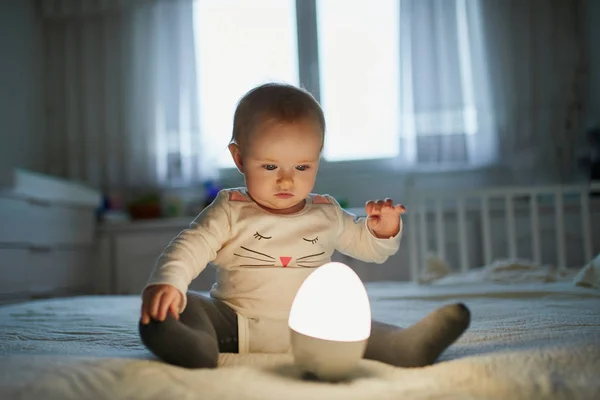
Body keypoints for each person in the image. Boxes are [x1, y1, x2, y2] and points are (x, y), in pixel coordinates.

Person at [139, 82, 470, 369]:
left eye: (301, 166)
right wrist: (169, 282)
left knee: (359, 326)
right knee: (192, 304)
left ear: (317, 157)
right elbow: (191, 244)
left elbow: (367, 247)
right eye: (270, 166)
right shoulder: (230, 208)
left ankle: (405, 345)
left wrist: (382, 229)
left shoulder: (325, 212)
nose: (286, 180)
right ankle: (191, 344)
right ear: (239, 158)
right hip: (236, 324)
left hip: (314, 327)